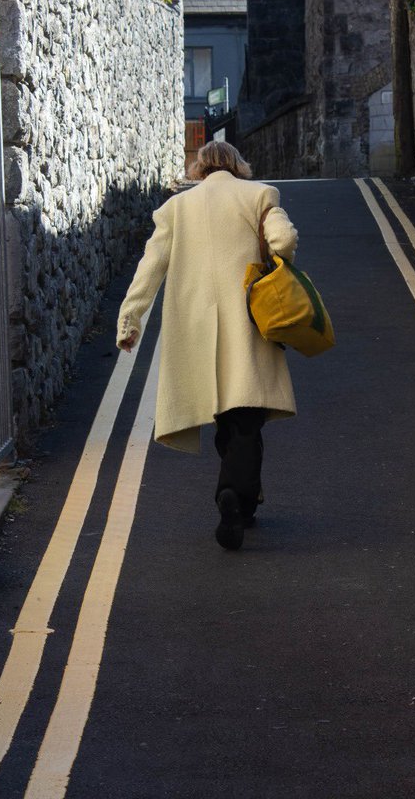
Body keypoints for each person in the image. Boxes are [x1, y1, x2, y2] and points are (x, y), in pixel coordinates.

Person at [116, 140, 298, 550]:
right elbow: (283, 241)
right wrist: (275, 260)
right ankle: (233, 496)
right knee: (247, 417)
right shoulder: (260, 196)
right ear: (238, 165)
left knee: (225, 416)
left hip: (196, 329)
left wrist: (130, 320)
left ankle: (241, 496)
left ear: (199, 169)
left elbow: (151, 267)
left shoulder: (176, 209)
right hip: (247, 323)